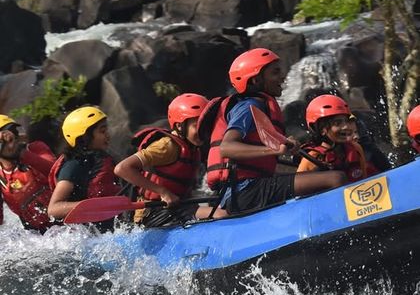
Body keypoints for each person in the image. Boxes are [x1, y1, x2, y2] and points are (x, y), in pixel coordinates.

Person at [200, 48, 346, 215]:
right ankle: (342, 228)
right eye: (275, 72)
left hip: (252, 187)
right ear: (255, 80)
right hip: (245, 190)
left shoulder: (259, 105)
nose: (283, 77)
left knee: (323, 174)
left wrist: (283, 143)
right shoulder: (248, 106)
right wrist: (273, 149)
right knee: (336, 178)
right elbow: (227, 147)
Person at [114, 93, 221, 227]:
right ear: (180, 126)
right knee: (219, 214)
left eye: (205, 126)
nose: (202, 131)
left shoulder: (193, 148)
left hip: (175, 209)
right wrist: (163, 192)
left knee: (219, 209)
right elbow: (122, 169)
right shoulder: (167, 146)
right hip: (152, 213)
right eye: (197, 126)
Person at [48, 106, 121, 231]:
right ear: (84, 137)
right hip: (86, 235)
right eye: (102, 131)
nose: (108, 135)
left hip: (107, 230)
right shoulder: (74, 165)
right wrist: (98, 205)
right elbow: (54, 208)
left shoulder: (99, 158)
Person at [297, 94, 375, 182]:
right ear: (321, 130)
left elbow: (365, 180)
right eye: (337, 123)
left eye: (347, 121)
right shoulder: (312, 159)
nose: (346, 127)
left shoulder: (356, 148)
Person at [0, 114, 56, 232]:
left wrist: (21, 153)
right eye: (3, 139)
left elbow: (56, 172)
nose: (12, 139)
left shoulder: (36, 149)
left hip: (64, 221)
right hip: (36, 235)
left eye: (13, 132)